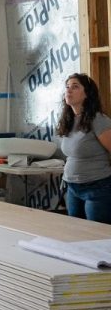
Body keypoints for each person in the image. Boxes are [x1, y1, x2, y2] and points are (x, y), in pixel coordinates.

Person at [55, 73, 111, 223]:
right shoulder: (69, 120)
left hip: (96, 187)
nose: (69, 90)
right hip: (72, 187)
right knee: (77, 234)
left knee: (96, 236)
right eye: (67, 87)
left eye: (75, 87)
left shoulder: (99, 120)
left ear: (87, 93)